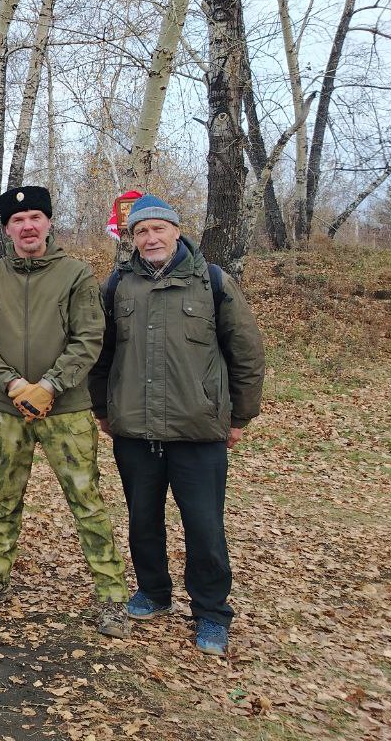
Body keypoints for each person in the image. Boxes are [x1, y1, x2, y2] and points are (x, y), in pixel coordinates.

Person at [89, 194, 265, 657]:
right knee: (143, 520)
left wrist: (240, 415)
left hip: (198, 430)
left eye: (158, 229)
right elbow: (101, 354)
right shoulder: (118, 286)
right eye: (141, 232)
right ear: (132, 238)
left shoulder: (211, 281)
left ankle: (211, 613)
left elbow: (245, 351)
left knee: (204, 527)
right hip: (135, 430)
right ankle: (154, 592)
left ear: (175, 230)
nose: (150, 238)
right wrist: (103, 410)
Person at [0, 186, 130, 637]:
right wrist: (15, 384)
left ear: (49, 222)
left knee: (86, 500)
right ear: (6, 229)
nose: (28, 226)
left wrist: (51, 385)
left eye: (35, 217)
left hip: (67, 411)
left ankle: (113, 596)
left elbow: (88, 337)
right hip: (6, 409)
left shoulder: (76, 275)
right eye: (18, 221)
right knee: (5, 494)